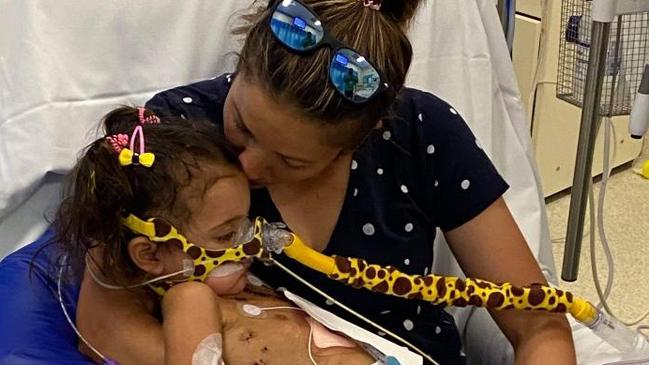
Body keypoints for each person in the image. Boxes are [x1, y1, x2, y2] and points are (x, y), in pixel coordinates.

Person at [82, 0, 578, 364]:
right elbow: (104, 325)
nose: (249, 169)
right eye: (242, 126)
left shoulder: (425, 134)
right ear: (241, 65)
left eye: (291, 161)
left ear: (360, 142)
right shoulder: (172, 133)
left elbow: (539, 325)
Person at [60, 106, 381, 364]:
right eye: (226, 234)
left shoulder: (236, 286)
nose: (250, 242)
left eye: (245, 222)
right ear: (151, 255)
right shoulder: (191, 298)